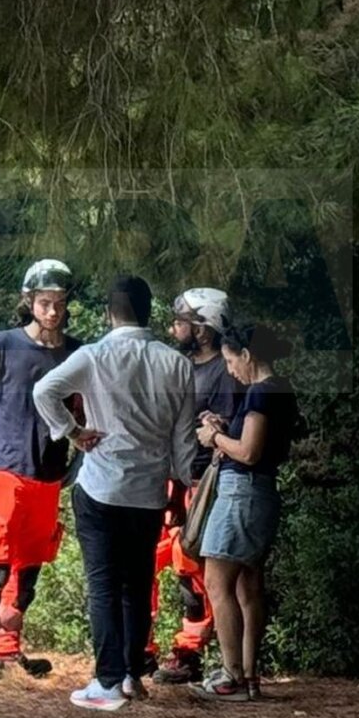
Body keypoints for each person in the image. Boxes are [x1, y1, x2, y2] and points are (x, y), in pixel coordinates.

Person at [33, 275, 199, 711]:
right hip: (149, 491)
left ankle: (107, 680)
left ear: (110, 313)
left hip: (102, 486)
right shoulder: (176, 364)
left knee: (104, 584)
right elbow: (183, 442)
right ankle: (130, 675)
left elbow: (44, 390)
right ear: (150, 313)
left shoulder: (94, 355)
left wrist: (73, 432)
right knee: (137, 583)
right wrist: (184, 483)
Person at [0, 259, 85, 681]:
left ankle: (8, 647)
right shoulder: (4, 344)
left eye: (60, 304)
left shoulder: (76, 352)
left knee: (30, 562)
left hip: (47, 470)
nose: (53, 312)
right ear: (29, 301)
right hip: (3, 463)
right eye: (45, 303)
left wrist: (79, 457)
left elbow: (82, 408)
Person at [193, 322, 300, 703]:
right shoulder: (280, 390)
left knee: (217, 582)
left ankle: (231, 676)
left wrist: (214, 438)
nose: (229, 368)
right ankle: (250, 676)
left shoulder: (259, 392)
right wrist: (226, 429)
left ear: (247, 356)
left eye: (229, 359)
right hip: (262, 494)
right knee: (249, 586)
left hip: (242, 494)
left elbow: (250, 452)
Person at [148, 287, 243, 684]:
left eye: (183, 320)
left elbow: (225, 427)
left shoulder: (224, 372)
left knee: (194, 571)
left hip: (203, 481)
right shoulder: (177, 365)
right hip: (167, 477)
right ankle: (140, 648)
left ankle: (189, 652)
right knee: (151, 561)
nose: (175, 327)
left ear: (204, 328)